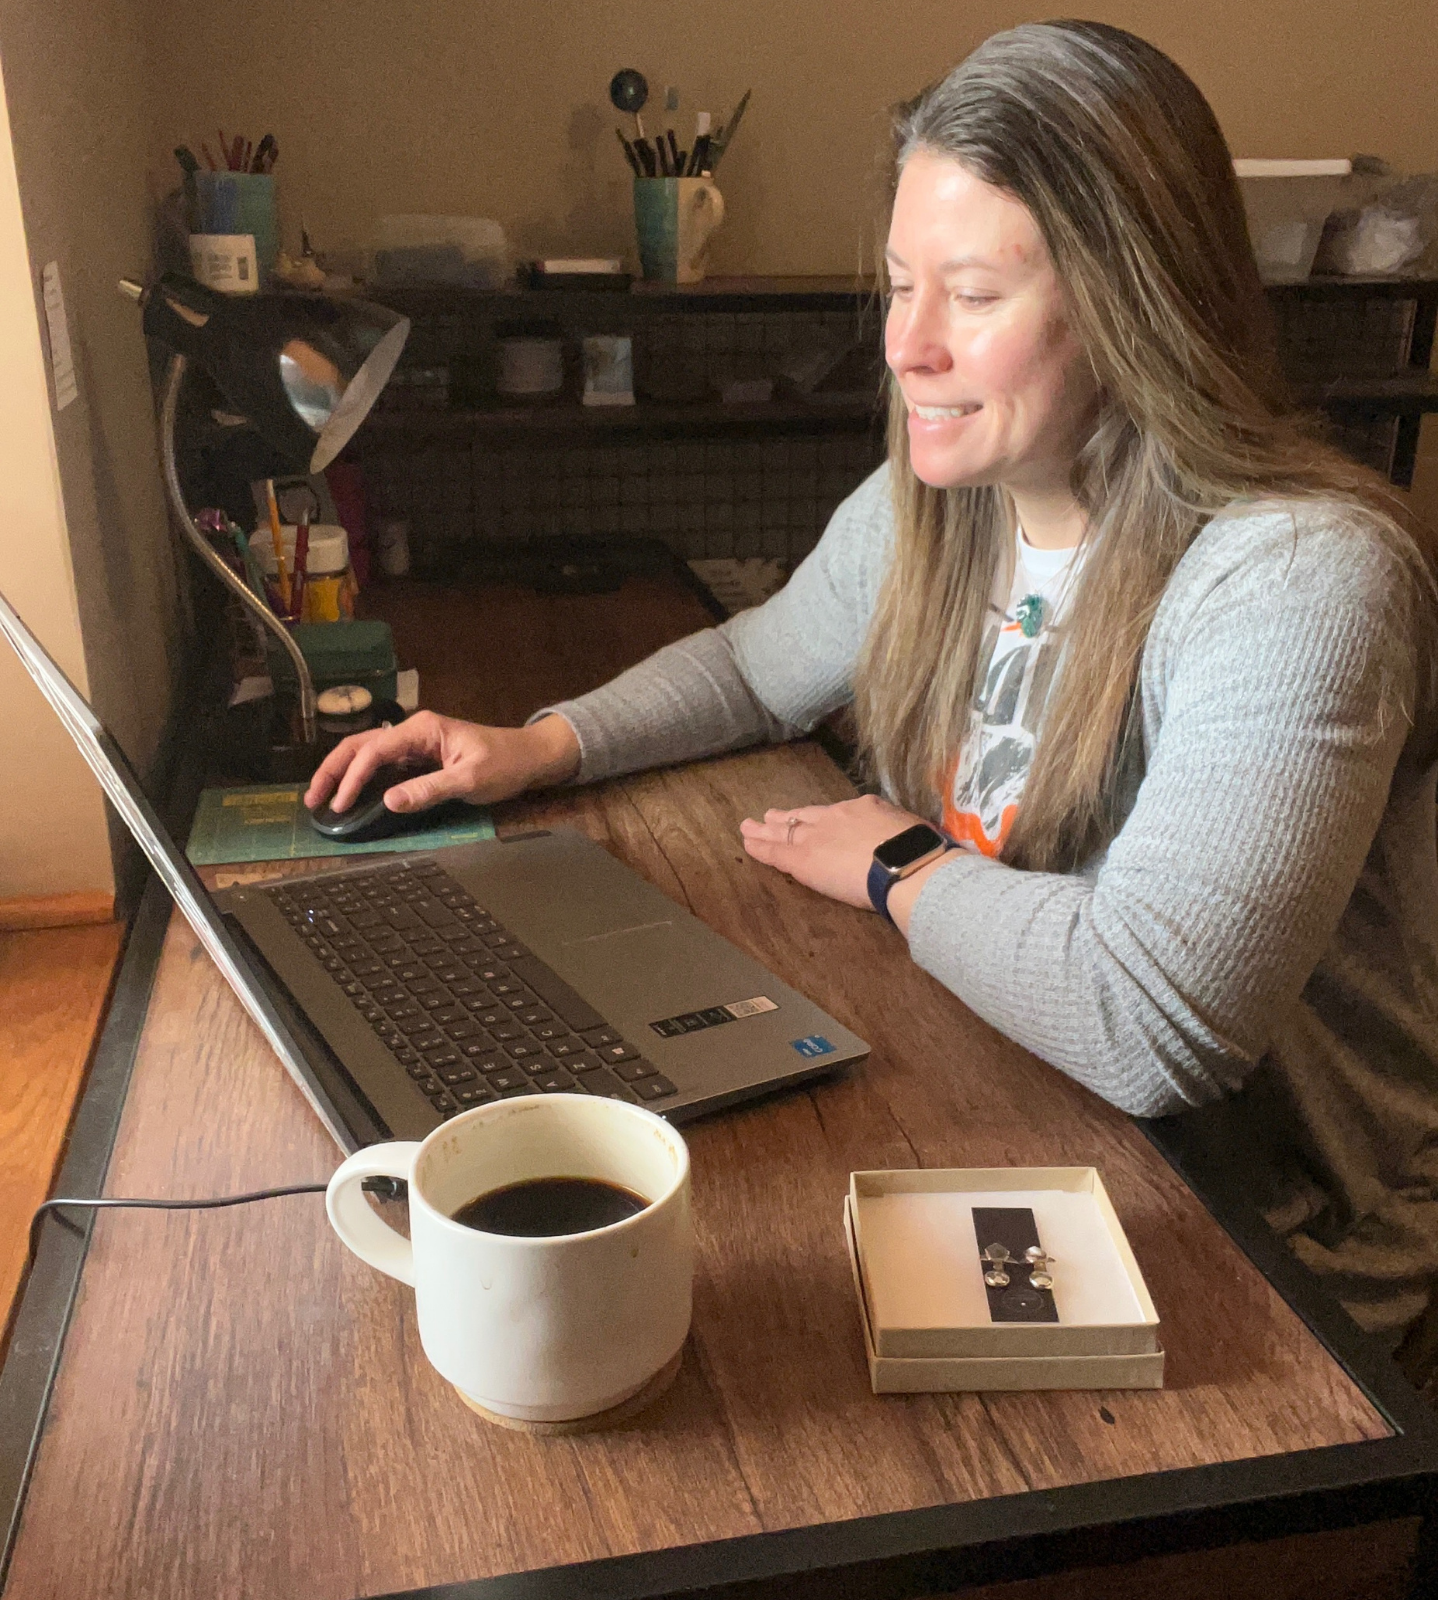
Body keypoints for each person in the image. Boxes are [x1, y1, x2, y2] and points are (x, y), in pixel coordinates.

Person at [307, 23, 1438, 1384]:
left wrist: (900, 866)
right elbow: (751, 667)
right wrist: (541, 743)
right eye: (900, 284)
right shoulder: (933, 502)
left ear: (1141, 302)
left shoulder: (1299, 574)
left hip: (1271, 1248)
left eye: (971, 293)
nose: (904, 345)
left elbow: (1152, 1019)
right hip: (1020, 1100)